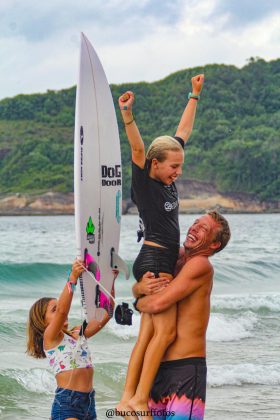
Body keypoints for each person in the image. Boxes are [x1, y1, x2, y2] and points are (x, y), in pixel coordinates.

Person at [117, 75, 204, 419]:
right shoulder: (147, 183)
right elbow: (138, 149)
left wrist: (193, 95)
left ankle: (128, 399)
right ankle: (139, 400)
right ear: (155, 164)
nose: (178, 172)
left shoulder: (166, 176)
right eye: (173, 166)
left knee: (149, 334)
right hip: (155, 259)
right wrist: (127, 114)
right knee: (164, 331)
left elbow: (183, 132)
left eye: (180, 165)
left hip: (155, 259)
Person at [134, 211, 231, 420]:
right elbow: (144, 289)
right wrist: (138, 288)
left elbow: (158, 302)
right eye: (195, 223)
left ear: (214, 244)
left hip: (185, 370)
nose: (194, 228)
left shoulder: (200, 264)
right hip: (158, 369)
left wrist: (138, 301)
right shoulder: (174, 257)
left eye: (203, 228)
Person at [27, 259, 115, 420]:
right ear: (43, 321)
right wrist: (72, 278)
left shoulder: (76, 333)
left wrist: (110, 283)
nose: (61, 310)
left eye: (59, 307)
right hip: (67, 404)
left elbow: (106, 313)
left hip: (88, 403)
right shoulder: (50, 338)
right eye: (54, 309)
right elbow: (62, 310)